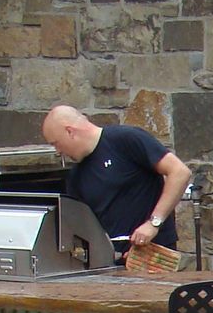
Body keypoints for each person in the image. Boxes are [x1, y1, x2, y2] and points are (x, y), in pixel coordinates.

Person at [41, 104, 192, 255]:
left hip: (153, 254)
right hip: (110, 262)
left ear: (70, 132)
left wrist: (153, 223)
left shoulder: (125, 139)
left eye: (56, 143)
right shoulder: (76, 176)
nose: (58, 151)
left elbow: (179, 172)